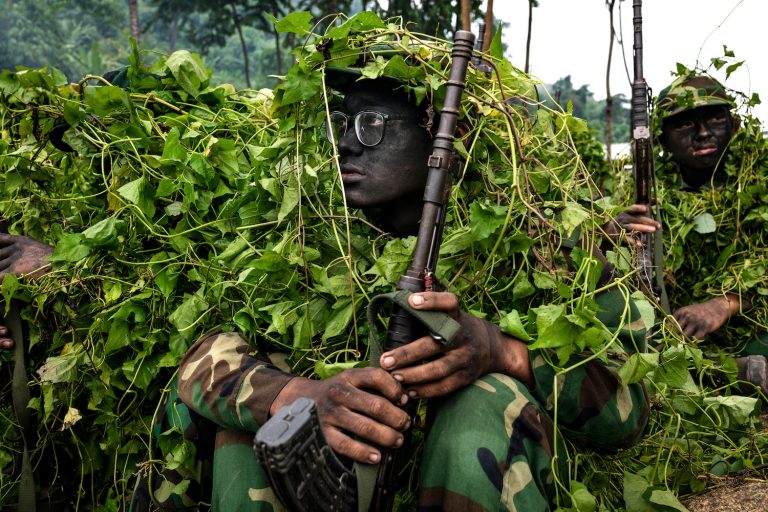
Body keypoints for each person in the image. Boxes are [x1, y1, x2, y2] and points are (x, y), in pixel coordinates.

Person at [169, 35, 651, 511]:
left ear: (449, 134)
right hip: (348, 482)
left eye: (372, 123)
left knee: (484, 399)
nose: (345, 145)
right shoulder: (310, 237)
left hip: (474, 477)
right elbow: (201, 359)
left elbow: (627, 413)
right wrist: (305, 396)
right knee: (253, 421)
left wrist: (502, 352)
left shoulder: (545, 246)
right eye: (344, 123)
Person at [614, 73, 768, 389]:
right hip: (678, 339)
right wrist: (609, 236)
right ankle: (718, 373)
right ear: (661, 139)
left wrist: (725, 305)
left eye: (713, 118)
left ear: (734, 125)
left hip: (750, 329)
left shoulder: (757, 188)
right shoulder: (645, 198)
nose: (702, 134)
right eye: (684, 125)